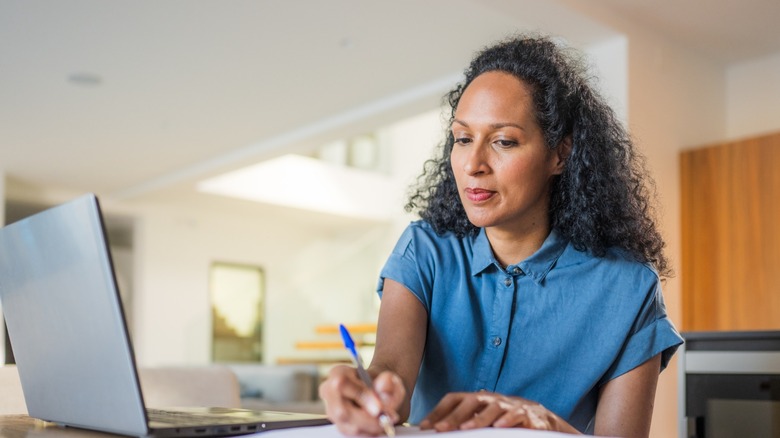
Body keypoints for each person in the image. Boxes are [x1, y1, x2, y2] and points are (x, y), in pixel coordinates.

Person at [319, 34, 683, 436]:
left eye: (504, 141)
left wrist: (545, 424)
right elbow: (391, 373)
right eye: (462, 139)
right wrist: (366, 392)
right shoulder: (425, 250)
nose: (473, 164)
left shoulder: (628, 286)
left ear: (560, 154)